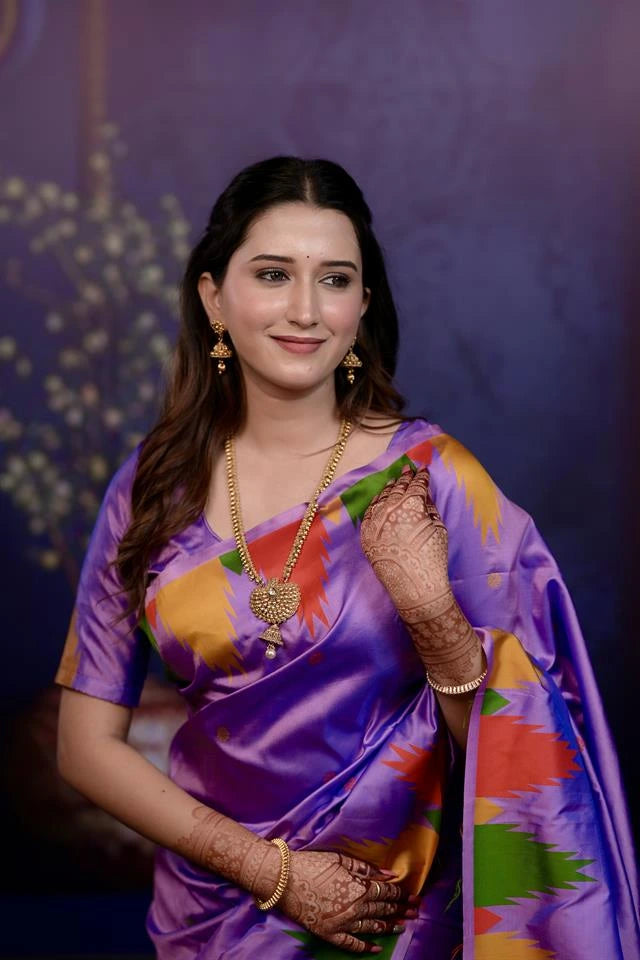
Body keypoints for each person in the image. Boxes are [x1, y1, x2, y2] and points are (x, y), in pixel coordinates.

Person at [55, 157, 639, 960]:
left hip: (397, 926)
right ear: (212, 297)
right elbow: (85, 746)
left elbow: (535, 752)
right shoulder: (150, 488)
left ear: (362, 305)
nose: (305, 310)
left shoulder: (432, 479)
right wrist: (278, 875)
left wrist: (432, 613)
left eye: (334, 279)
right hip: (211, 923)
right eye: (272, 274)